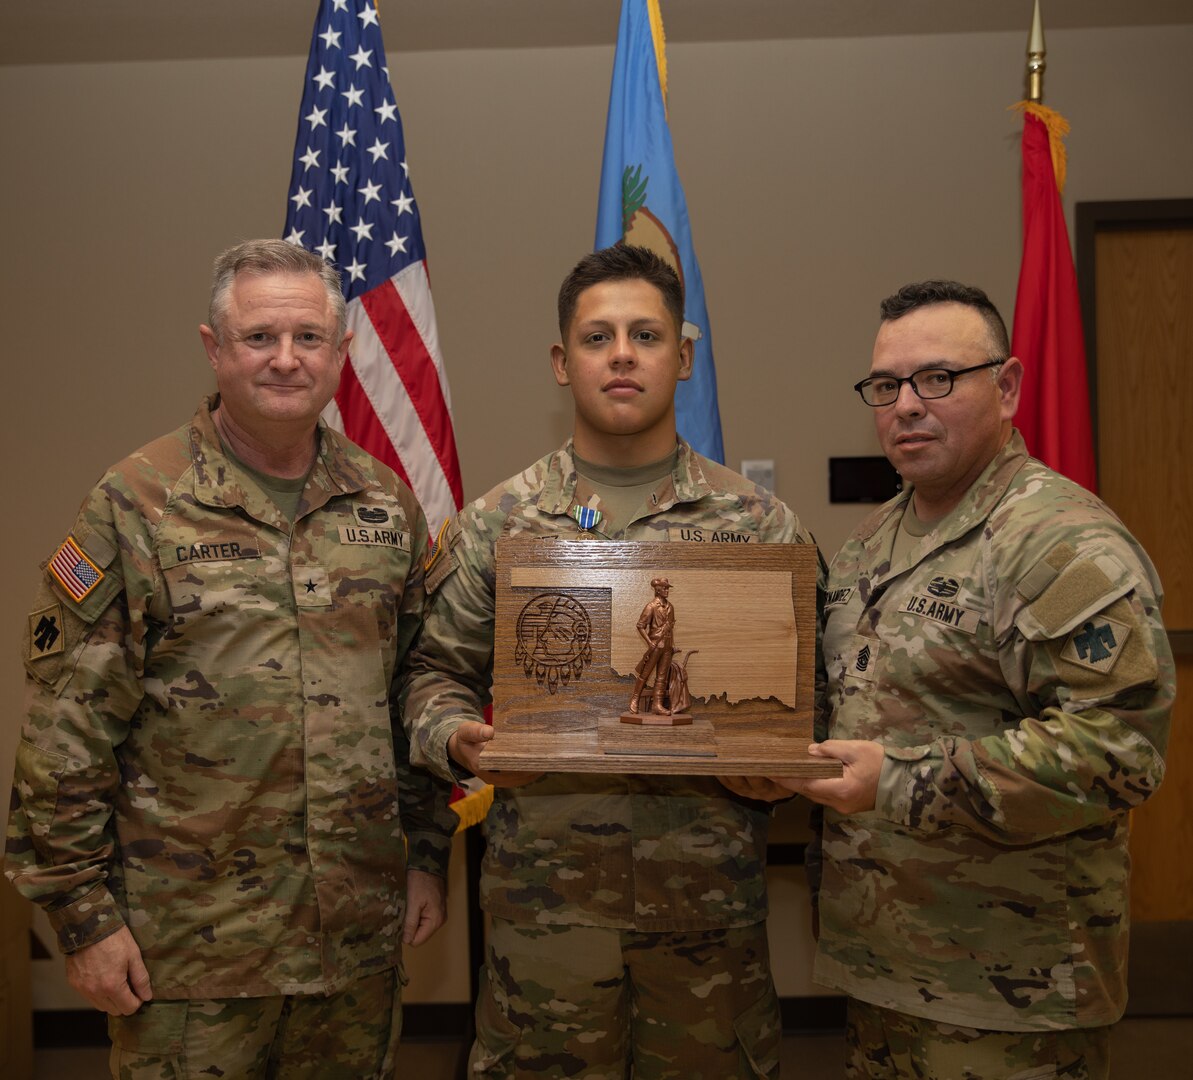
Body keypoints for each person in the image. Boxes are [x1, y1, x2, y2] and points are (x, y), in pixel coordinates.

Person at [5, 239, 457, 1078]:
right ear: (214, 350)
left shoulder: (385, 505)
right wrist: (80, 917)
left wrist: (426, 857)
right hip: (189, 953)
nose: (286, 360)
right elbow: (68, 733)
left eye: (309, 338)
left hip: (353, 945)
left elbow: (414, 696)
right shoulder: (136, 502)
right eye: (258, 338)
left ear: (341, 350)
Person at [400, 244, 820, 1078]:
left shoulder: (759, 528)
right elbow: (428, 676)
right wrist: (458, 740)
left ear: (684, 357)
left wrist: (783, 762)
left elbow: (817, 699)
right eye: (597, 337)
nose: (621, 354)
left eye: (645, 334)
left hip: (708, 925)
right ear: (563, 362)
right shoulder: (499, 524)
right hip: (544, 920)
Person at [775, 280, 1174, 1078]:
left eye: (938, 378)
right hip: (880, 964)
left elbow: (1119, 748)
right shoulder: (865, 547)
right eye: (885, 386)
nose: (906, 405)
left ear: (1008, 387)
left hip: (1009, 986)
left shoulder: (1055, 541)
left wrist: (898, 781)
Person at [630, 577, 676, 715]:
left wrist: (672, 645)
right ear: (657, 589)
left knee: (662, 677)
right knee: (645, 674)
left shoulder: (670, 607)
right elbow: (640, 626)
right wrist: (649, 643)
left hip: (666, 647)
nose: (667, 590)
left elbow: (671, 627)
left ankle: (657, 705)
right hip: (655, 645)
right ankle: (635, 699)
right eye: (665, 588)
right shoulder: (651, 606)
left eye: (668, 588)